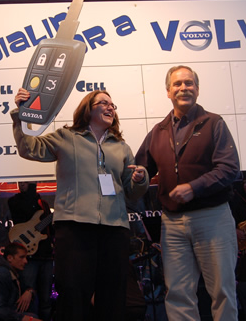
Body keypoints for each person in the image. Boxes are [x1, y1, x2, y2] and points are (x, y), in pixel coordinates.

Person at [12, 88, 149, 321]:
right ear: (88, 108)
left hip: (114, 229)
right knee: (73, 294)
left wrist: (140, 179)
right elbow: (28, 148)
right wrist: (21, 114)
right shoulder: (65, 137)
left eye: (112, 105)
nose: (110, 107)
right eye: (103, 102)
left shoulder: (122, 147)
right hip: (75, 228)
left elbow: (132, 192)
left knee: (113, 296)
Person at [135, 65, 240, 320]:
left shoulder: (213, 122)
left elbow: (230, 168)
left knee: (222, 292)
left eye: (189, 83)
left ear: (198, 89)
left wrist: (195, 187)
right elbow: (141, 168)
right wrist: (139, 174)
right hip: (172, 224)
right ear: (168, 91)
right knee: (178, 294)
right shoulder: (158, 131)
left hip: (212, 217)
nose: (184, 88)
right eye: (178, 84)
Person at [7, 182, 54, 321]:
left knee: (46, 298)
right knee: (28, 297)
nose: (21, 184)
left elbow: (48, 230)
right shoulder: (14, 201)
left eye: (25, 182)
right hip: (29, 256)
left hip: (45, 255)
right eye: (19, 182)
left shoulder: (43, 204)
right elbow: (24, 211)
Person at [0, 242, 42, 321]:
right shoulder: (0, 274)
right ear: (10, 258)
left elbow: (26, 287)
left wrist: (29, 291)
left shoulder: (15, 272)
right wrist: (24, 319)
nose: (25, 261)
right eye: (21, 257)